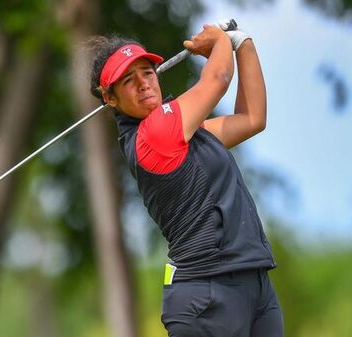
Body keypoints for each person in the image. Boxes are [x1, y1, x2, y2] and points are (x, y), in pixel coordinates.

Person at [88, 22, 284, 337]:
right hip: (207, 296)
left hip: (254, 283)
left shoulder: (187, 134)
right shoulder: (153, 136)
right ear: (109, 98)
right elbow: (218, 77)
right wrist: (220, 41)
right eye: (128, 80)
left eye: (147, 72)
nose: (143, 83)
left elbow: (252, 119)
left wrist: (243, 43)